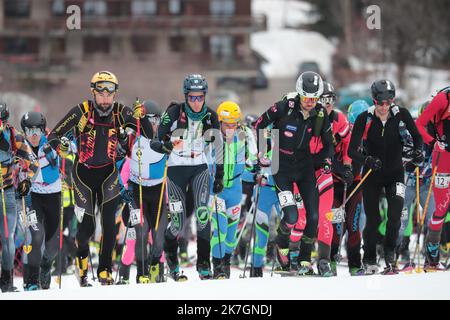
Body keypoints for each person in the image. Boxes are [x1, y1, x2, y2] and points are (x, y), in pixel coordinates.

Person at [47, 71, 151, 286]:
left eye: (109, 93)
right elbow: (53, 136)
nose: (105, 98)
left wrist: (142, 117)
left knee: (109, 225)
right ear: (93, 92)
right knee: (87, 228)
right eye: (101, 93)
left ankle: (104, 270)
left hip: (108, 174)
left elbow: (148, 133)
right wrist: (63, 147)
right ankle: (82, 262)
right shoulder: (81, 111)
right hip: (83, 175)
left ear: (115, 94)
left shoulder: (121, 112)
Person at [254, 71, 334, 276]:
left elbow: (328, 145)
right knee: (291, 216)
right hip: (281, 167)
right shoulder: (284, 107)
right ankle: (281, 246)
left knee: (314, 217)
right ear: (299, 93)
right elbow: (260, 124)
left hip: (305, 168)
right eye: (307, 97)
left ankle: (305, 259)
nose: (310, 102)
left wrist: (324, 160)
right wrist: (263, 150)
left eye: (314, 98)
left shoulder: (320, 114)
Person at [151, 74, 223, 280]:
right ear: (186, 96)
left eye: (200, 97)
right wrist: (165, 145)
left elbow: (218, 147)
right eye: (192, 98)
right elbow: (156, 141)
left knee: (202, 215)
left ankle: (203, 265)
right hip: (176, 168)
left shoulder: (211, 116)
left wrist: (219, 176)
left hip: (199, 166)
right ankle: (172, 262)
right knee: (177, 222)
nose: (196, 102)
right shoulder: (174, 112)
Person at [348, 80, 423, 274]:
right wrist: (368, 160)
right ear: (373, 100)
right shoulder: (365, 118)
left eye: (387, 102)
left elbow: (418, 137)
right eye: (379, 103)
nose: (383, 107)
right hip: (372, 175)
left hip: (395, 174)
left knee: (395, 217)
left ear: (392, 100)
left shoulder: (401, 115)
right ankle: (370, 257)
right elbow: (351, 151)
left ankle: (391, 253)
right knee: (373, 220)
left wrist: (418, 153)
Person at [209, 101, 257, 279]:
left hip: (235, 190)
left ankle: (226, 263)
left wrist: (257, 169)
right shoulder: (212, 137)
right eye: (227, 124)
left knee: (230, 234)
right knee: (220, 227)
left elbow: (253, 158)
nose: (231, 128)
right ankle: (217, 265)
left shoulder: (244, 137)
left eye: (234, 124)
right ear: (220, 122)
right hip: (217, 190)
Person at [127, 100, 168, 283]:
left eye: (158, 120)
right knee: (142, 231)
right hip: (137, 191)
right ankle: (141, 273)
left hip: (158, 190)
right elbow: (119, 157)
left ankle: (154, 268)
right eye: (152, 120)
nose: (155, 124)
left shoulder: (163, 136)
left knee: (159, 236)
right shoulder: (132, 136)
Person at [20, 112, 62, 290]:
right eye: (29, 131)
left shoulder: (52, 142)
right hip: (33, 196)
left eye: (37, 130)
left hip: (53, 195)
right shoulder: (20, 147)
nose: (34, 134)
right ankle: (30, 281)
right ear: (25, 132)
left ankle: (46, 266)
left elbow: (74, 147)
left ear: (43, 130)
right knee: (36, 237)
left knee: (53, 247)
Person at [0, 102, 38, 292]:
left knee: (7, 237)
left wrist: (26, 180)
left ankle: (6, 282)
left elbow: (33, 163)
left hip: (6, 191)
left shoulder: (15, 137)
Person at [330, 99, 369, 276]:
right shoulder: (338, 133)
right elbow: (328, 157)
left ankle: (355, 263)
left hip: (355, 185)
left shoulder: (368, 136)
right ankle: (330, 260)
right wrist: (341, 170)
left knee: (353, 224)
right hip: (335, 185)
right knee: (337, 226)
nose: (355, 129)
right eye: (352, 124)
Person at [415, 86, 450, 269]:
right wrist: (433, 142)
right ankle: (432, 251)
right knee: (441, 207)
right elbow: (419, 124)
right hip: (443, 157)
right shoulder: (443, 99)